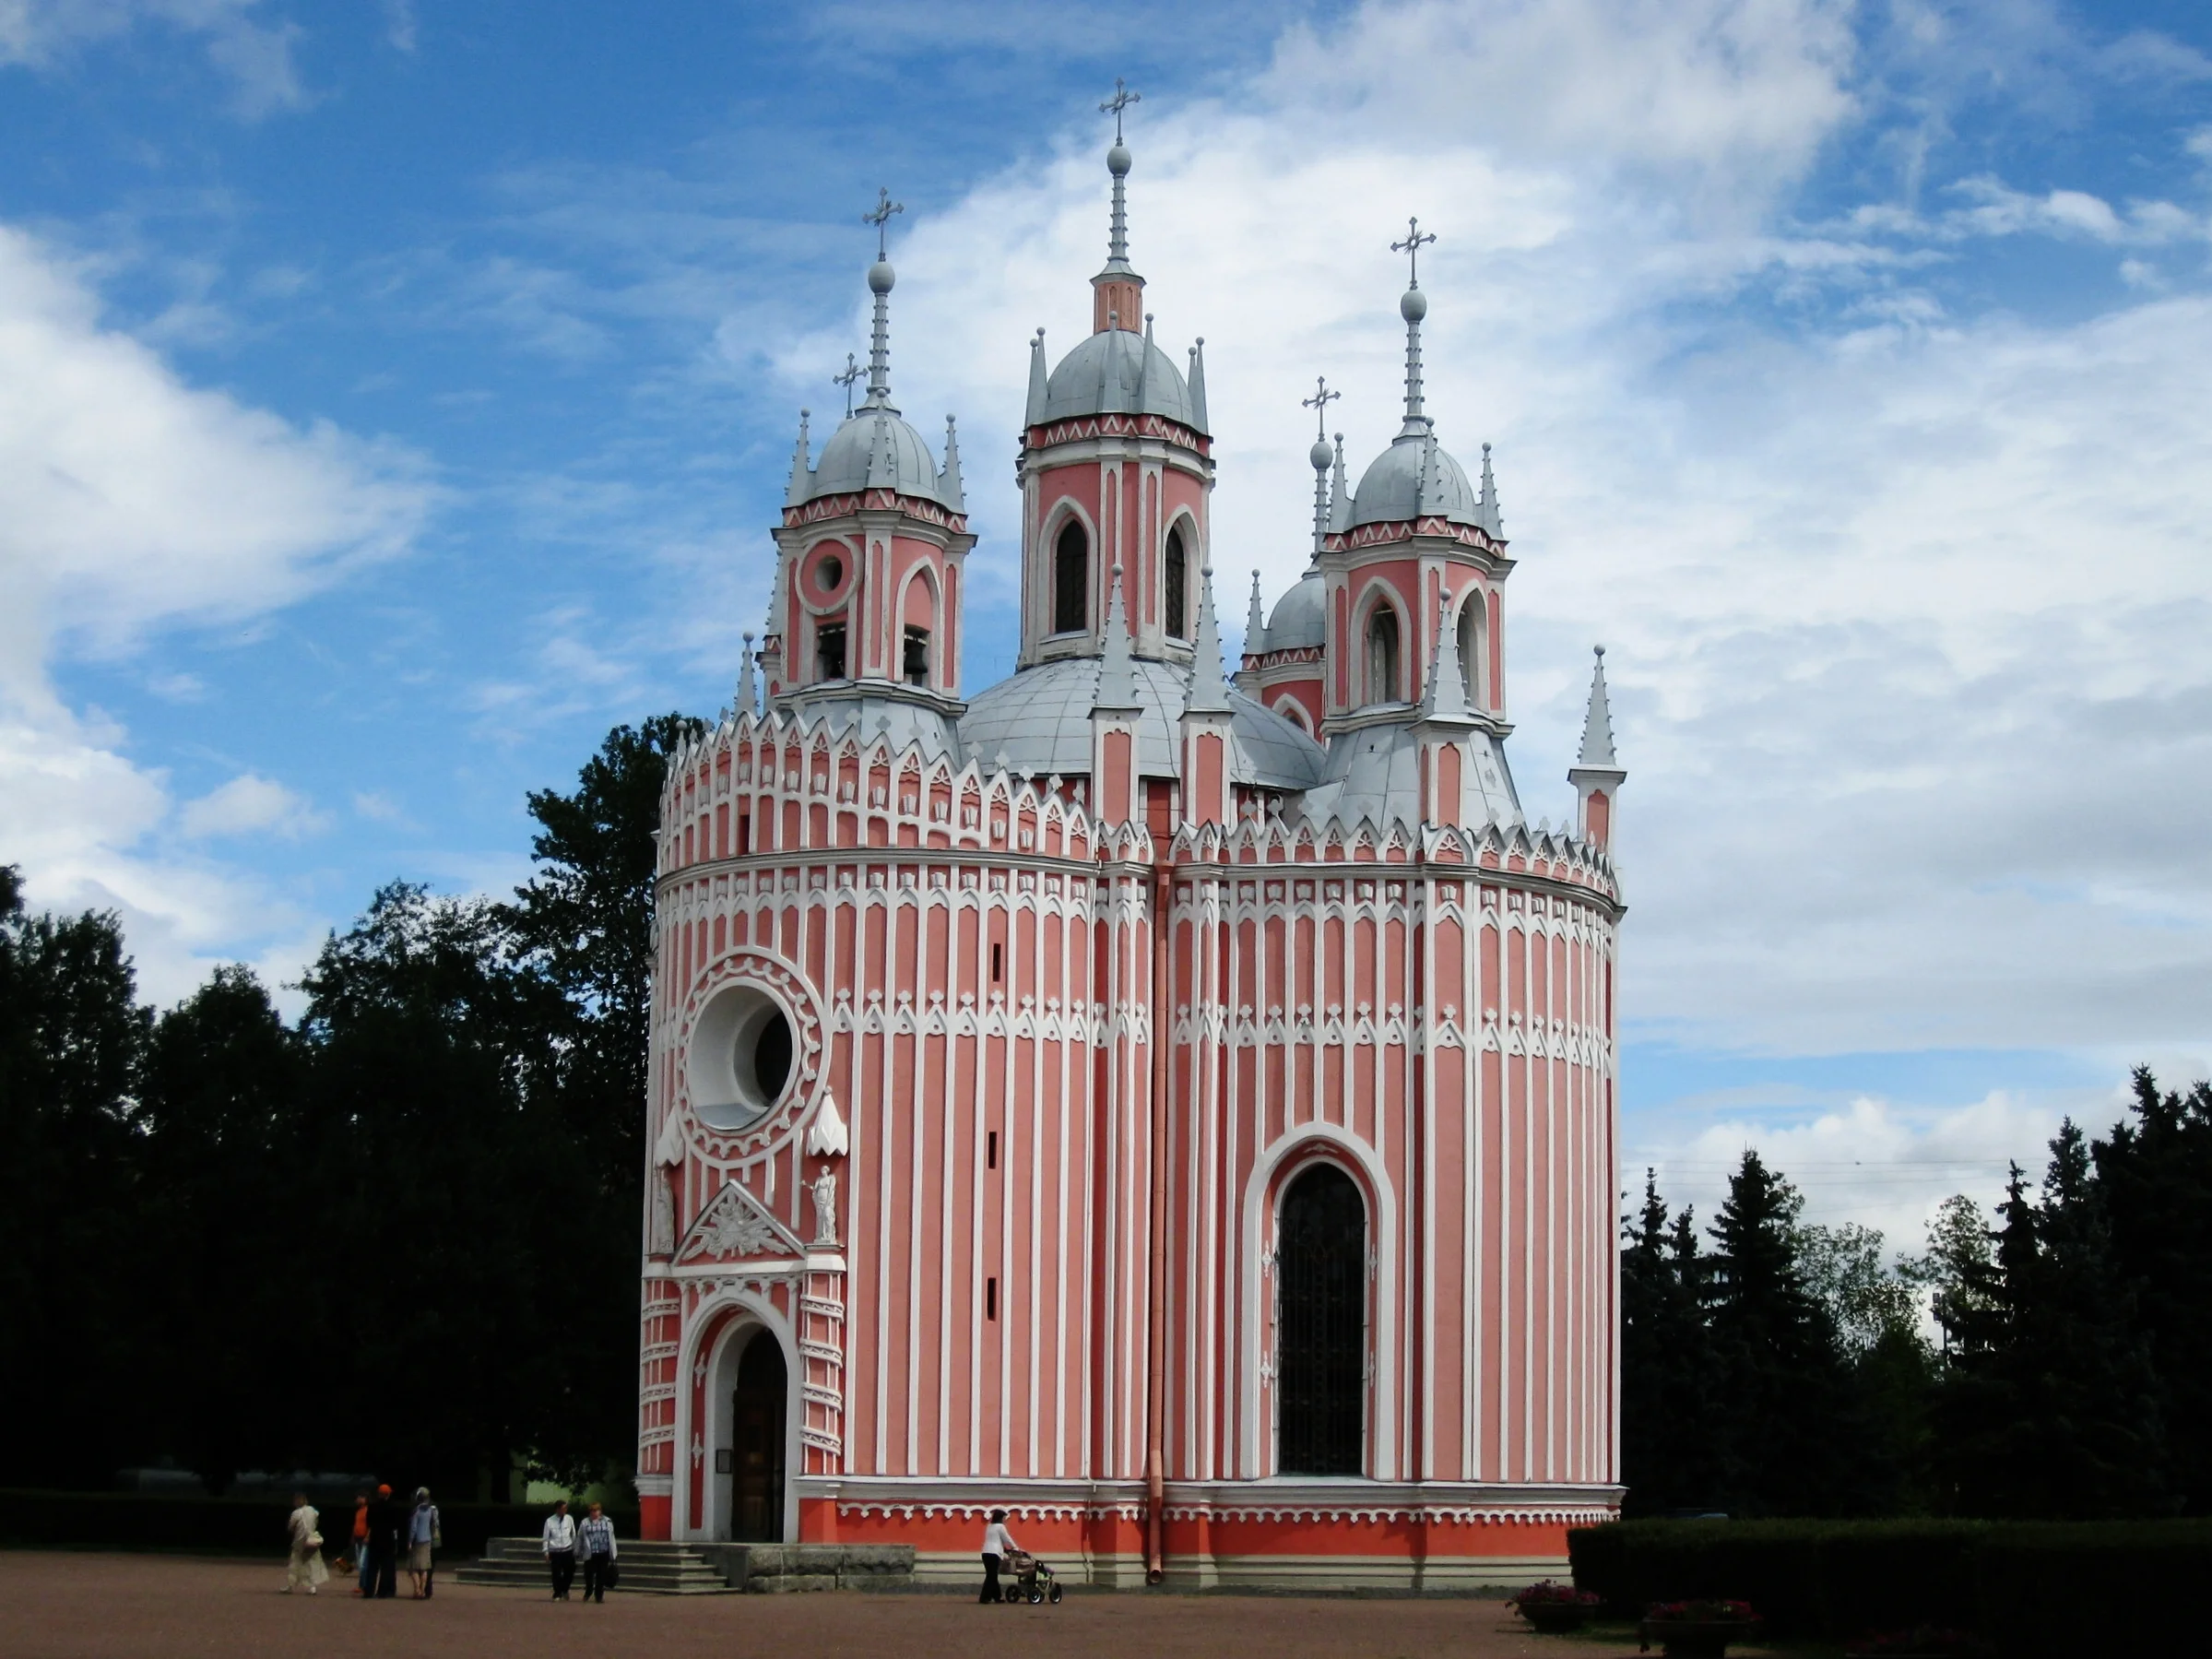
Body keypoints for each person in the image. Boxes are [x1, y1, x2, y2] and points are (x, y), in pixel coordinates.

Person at [284, 1492, 327, 1594]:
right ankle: (312, 1587)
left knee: (294, 1564)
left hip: (300, 1542)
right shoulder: (312, 1510)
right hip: (312, 1541)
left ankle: (291, 1586)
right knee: (311, 1564)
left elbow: (290, 1527)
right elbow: (316, 1518)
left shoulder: (296, 1513)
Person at [576, 1500, 618, 1603]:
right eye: (592, 1510)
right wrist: (577, 1550)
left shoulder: (607, 1521)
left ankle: (599, 1595)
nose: (594, 1513)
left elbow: (611, 1537)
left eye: (596, 1510)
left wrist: (613, 1553)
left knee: (601, 1575)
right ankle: (589, 1590)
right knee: (588, 1574)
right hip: (591, 1552)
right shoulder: (585, 1522)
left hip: (603, 1552)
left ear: (600, 1511)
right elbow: (580, 1537)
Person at [365, 1483, 401, 1600]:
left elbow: (369, 1522)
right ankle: (383, 1592)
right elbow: (396, 1524)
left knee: (372, 1567)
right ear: (388, 1494)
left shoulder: (372, 1506)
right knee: (387, 1568)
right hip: (388, 1540)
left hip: (375, 1539)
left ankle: (369, 1591)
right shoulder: (393, 1507)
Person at [406, 1487, 441, 1599]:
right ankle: (424, 1590)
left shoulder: (417, 1510)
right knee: (425, 1568)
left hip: (418, 1541)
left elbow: (413, 1528)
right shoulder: (431, 1509)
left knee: (413, 1567)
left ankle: (417, 1590)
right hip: (429, 1540)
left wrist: (410, 1541)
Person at [979, 1509, 1018, 1604]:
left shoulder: (989, 1526)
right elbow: (1006, 1538)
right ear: (1001, 1517)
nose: (1005, 1520)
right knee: (991, 1576)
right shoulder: (1001, 1527)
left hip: (985, 1552)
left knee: (992, 1575)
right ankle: (984, 1597)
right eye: (1004, 1517)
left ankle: (996, 1596)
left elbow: (995, 1539)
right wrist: (1015, 1547)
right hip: (994, 1553)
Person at [541, 1499, 577, 1601]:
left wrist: (575, 1548)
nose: (565, 1510)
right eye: (563, 1508)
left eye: (566, 1508)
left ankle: (564, 1588)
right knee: (556, 1573)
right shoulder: (549, 1521)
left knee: (569, 1572)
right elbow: (546, 1537)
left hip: (567, 1549)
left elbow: (573, 1534)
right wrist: (546, 1551)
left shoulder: (569, 1519)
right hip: (555, 1550)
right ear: (557, 1509)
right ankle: (557, 1593)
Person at [349, 1491, 371, 1596]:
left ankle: (363, 1585)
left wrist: (367, 1536)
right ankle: (362, 1584)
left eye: (359, 1498)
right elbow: (356, 1524)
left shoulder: (368, 1511)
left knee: (363, 1564)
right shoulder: (358, 1511)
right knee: (360, 1563)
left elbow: (371, 1525)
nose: (357, 1500)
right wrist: (353, 1536)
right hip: (358, 1539)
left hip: (364, 1539)